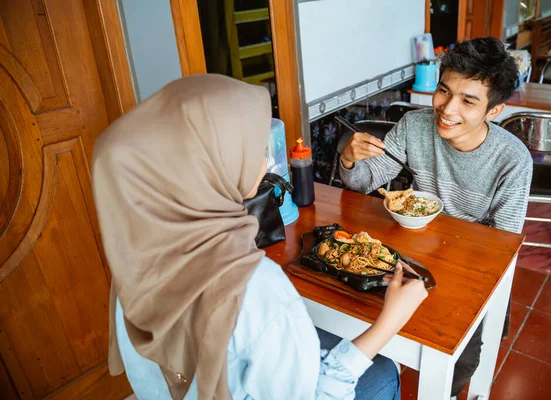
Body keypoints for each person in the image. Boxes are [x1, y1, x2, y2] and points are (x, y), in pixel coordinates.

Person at [91, 74, 429, 400]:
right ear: (214, 167)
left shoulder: (134, 256)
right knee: (384, 371)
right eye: (253, 149)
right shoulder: (255, 285)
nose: (267, 160)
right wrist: (390, 321)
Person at [339, 37, 533, 396]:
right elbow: (363, 181)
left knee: (460, 359)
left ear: (494, 110)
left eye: (468, 100)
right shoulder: (415, 126)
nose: (447, 108)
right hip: (411, 251)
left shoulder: (512, 160)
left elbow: (502, 245)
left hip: (471, 267)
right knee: (348, 303)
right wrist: (350, 159)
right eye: (444, 91)